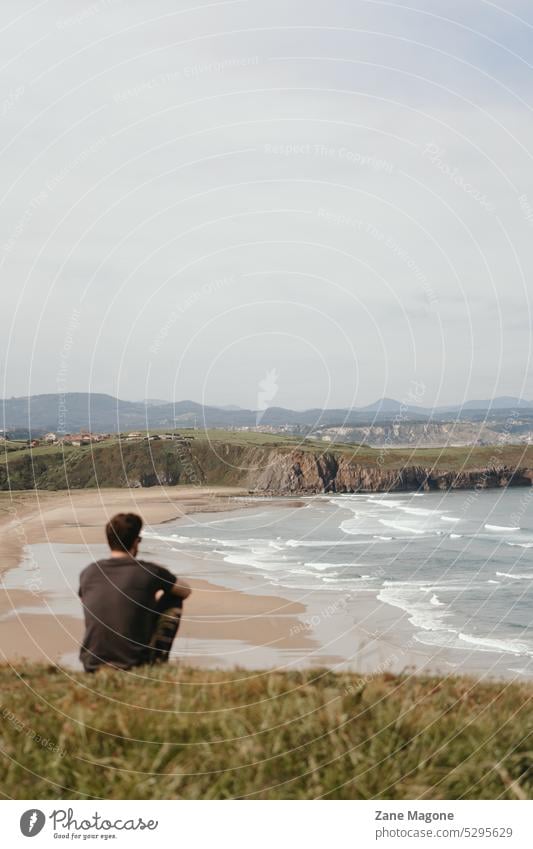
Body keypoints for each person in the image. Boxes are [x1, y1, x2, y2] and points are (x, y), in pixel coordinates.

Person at [78, 512, 191, 672]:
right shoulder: (149, 571)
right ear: (135, 542)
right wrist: (154, 595)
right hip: (134, 663)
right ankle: (157, 661)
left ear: (109, 541)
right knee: (174, 598)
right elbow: (185, 590)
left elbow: (88, 601)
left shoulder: (89, 572)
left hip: (91, 664)